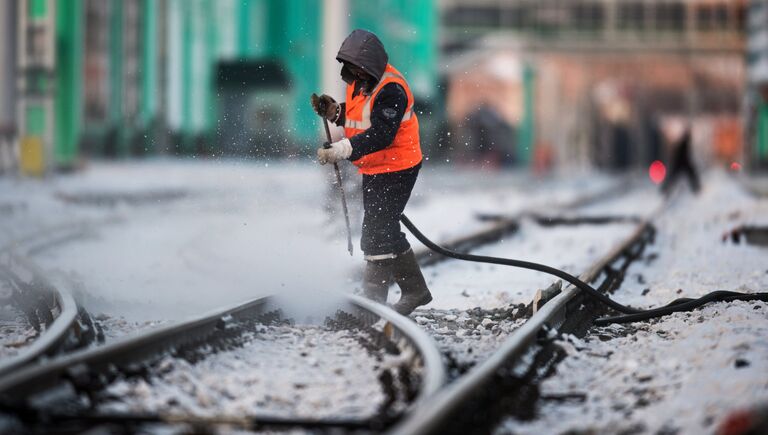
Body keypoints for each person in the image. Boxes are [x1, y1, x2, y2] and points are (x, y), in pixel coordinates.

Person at [310, 29, 432, 315]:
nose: (351, 74)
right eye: (349, 68)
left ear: (370, 66)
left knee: (376, 232)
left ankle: (373, 304)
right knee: (385, 227)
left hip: (398, 166)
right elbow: (359, 117)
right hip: (376, 166)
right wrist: (334, 113)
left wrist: (342, 149)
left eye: (357, 68)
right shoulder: (359, 83)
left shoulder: (391, 89)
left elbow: (382, 134)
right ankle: (416, 290)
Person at [660, 126, 701, 196]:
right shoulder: (677, 132)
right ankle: (665, 188)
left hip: (682, 159)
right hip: (680, 159)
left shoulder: (681, 136)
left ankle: (696, 188)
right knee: (675, 175)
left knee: (676, 175)